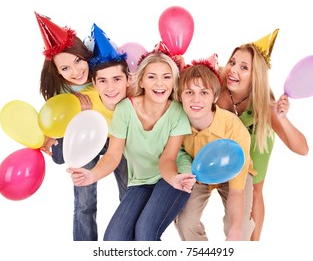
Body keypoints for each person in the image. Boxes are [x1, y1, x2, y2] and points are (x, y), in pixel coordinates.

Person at [68, 48, 196, 241]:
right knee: (113, 239)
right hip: (141, 181)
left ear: (174, 82)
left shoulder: (177, 113)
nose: (160, 84)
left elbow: (168, 159)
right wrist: (92, 175)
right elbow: (113, 156)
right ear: (141, 80)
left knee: (145, 232)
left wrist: (175, 179)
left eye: (166, 77)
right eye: (152, 77)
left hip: (173, 176)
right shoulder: (125, 109)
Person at [35, 13, 128, 241]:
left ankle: (130, 242)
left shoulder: (103, 69)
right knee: (85, 203)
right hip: (85, 141)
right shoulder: (61, 94)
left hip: (115, 135)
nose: (76, 72)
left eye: (78, 61)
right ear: (57, 72)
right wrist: (47, 137)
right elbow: (52, 126)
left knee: (130, 191)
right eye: (65, 68)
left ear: (85, 55)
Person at [216, 29, 309, 240]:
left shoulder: (265, 107)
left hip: (255, 137)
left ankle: (254, 244)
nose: (233, 70)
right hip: (227, 136)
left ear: (255, 75)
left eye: (244, 67)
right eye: (232, 62)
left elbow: (302, 149)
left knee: (255, 190)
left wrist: (282, 118)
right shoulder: (217, 84)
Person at [174, 60, 256, 241]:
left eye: (204, 92)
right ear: (180, 96)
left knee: (238, 228)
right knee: (185, 222)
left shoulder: (234, 129)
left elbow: (236, 191)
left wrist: (235, 229)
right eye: (189, 92)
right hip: (198, 173)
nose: (196, 99)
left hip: (232, 173)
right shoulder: (177, 122)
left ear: (215, 97)